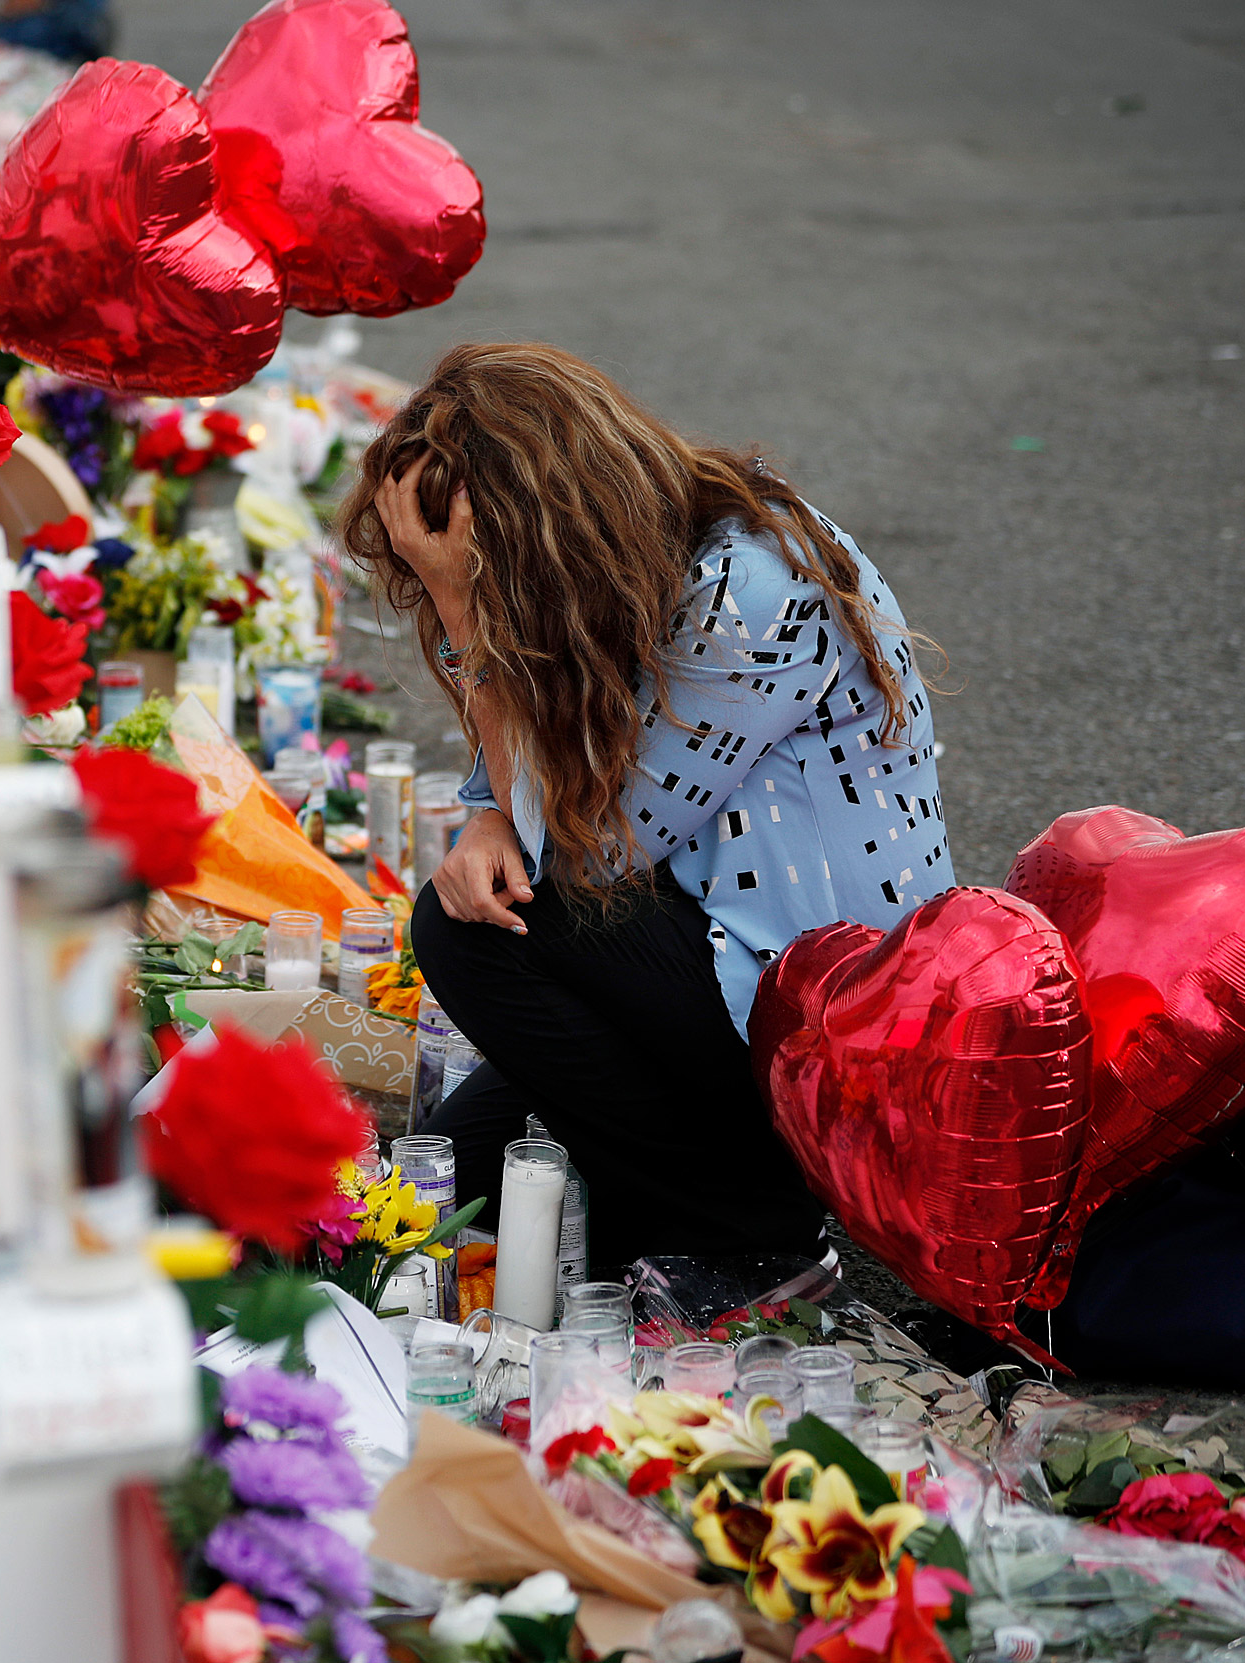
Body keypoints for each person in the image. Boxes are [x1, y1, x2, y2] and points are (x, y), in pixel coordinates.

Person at [339, 342, 953, 1269]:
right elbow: (546, 780)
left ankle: (754, 1232)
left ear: (543, 523)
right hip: (716, 948)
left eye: (473, 562)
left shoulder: (747, 587)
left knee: (472, 931)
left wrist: (466, 613)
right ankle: (679, 1186)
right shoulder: (651, 545)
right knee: (427, 1185)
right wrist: (492, 816)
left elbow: (591, 853)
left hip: (822, 1022)